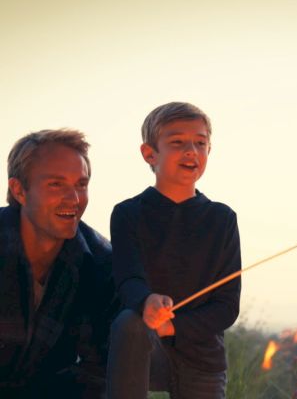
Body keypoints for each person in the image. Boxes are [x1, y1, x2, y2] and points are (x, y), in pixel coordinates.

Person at [107, 102, 241, 399]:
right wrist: (147, 301)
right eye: (177, 142)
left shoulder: (222, 219)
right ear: (149, 154)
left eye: (200, 142)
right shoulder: (127, 214)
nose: (191, 150)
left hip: (202, 356)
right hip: (142, 347)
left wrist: (174, 327)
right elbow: (127, 279)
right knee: (128, 322)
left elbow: (227, 307)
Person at [0, 129, 117, 398]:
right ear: (18, 190)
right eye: (56, 184)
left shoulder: (101, 264)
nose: (74, 199)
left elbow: (96, 373)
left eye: (81, 184)